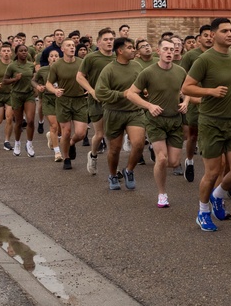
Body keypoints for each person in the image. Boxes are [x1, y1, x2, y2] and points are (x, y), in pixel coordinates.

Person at [182, 17, 231, 231]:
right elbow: (187, 88)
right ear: (213, 35)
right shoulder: (205, 60)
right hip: (211, 122)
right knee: (212, 172)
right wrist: (210, 91)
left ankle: (217, 196)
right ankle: (203, 211)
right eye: (225, 31)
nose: (230, 34)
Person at [126, 37, 189, 207]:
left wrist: (186, 102)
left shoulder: (180, 71)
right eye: (166, 49)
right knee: (161, 159)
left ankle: (159, 160)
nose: (170, 52)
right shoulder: (148, 72)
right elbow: (131, 93)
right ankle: (162, 194)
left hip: (175, 120)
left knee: (173, 162)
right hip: (155, 120)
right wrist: (149, 106)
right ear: (158, 51)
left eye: (173, 49)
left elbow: (188, 89)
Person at [95, 37, 145, 190]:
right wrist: (122, 94)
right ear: (120, 51)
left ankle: (129, 170)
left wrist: (145, 91)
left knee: (138, 144)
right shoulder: (109, 69)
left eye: (133, 47)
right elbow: (100, 92)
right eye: (129, 48)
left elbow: (144, 84)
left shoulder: (137, 66)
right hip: (114, 112)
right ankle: (112, 175)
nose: (133, 50)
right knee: (115, 149)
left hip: (134, 111)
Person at [77, 28, 116, 175]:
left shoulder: (118, 58)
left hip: (113, 101)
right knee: (100, 135)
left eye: (111, 39)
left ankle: (114, 168)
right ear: (98, 42)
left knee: (113, 135)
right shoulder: (91, 58)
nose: (109, 42)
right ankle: (92, 155)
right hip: (96, 101)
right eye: (106, 39)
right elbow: (80, 77)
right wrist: (92, 91)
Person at [179, 24, 214, 183]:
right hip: (196, 101)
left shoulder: (222, 54)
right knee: (193, 135)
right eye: (205, 35)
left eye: (211, 35)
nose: (209, 38)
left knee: (212, 137)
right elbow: (183, 82)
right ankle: (190, 161)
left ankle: (217, 175)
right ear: (199, 38)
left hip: (216, 102)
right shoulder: (191, 56)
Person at [47, 38, 88, 170]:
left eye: (73, 45)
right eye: (68, 46)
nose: (72, 47)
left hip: (80, 100)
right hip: (64, 101)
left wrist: (89, 88)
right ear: (62, 49)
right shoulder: (56, 65)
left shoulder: (82, 63)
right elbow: (48, 83)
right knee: (66, 132)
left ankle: (71, 143)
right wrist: (55, 90)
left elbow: (89, 78)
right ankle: (66, 158)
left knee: (81, 133)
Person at [4, 43, 38, 157]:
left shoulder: (30, 65)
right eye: (21, 51)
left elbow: (34, 78)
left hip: (29, 95)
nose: (24, 52)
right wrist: (15, 79)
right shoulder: (12, 66)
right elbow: (5, 80)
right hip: (16, 95)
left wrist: (36, 87)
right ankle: (17, 143)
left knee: (30, 120)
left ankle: (29, 144)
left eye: (25, 50)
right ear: (16, 53)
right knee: (18, 122)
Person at [34, 48, 60, 154]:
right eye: (52, 56)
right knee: (54, 125)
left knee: (61, 128)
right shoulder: (43, 70)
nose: (54, 58)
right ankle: (57, 152)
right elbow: (33, 81)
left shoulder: (63, 69)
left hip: (61, 99)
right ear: (48, 58)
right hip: (48, 99)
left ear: (60, 58)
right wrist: (38, 87)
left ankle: (52, 138)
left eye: (56, 56)